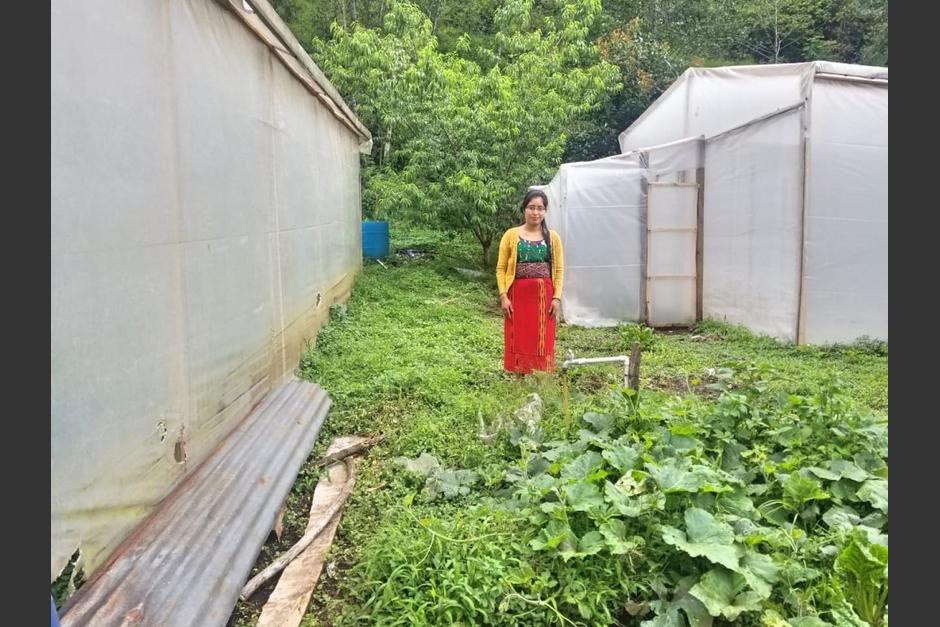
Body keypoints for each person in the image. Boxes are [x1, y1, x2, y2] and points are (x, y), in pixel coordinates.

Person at [496, 189, 564, 373]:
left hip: (544, 298)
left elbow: (558, 269)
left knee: (543, 337)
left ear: (545, 211)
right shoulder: (511, 235)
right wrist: (503, 296)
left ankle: (541, 377)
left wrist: (557, 298)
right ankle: (519, 376)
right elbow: (501, 268)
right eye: (531, 207)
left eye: (540, 208)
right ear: (524, 209)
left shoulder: (553, 238)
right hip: (517, 296)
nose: (535, 212)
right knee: (518, 336)